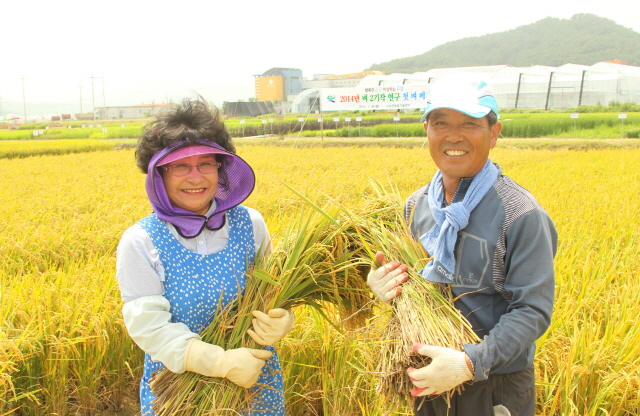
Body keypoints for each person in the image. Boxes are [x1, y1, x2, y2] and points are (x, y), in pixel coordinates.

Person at [367, 77, 557, 416]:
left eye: (469, 124)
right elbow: (412, 287)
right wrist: (384, 283)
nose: (453, 136)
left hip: (495, 385)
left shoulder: (521, 213)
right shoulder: (417, 206)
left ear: (494, 132)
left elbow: (532, 310)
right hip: (428, 377)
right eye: (441, 123)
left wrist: (470, 363)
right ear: (426, 130)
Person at [115, 98, 294, 416]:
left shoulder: (250, 224)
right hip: (180, 393)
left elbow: (271, 291)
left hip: (254, 380)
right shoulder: (141, 241)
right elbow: (149, 326)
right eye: (180, 166)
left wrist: (281, 318)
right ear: (159, 175)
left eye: (206, 164)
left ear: (220, 169)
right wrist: (221, 362)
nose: (195, 177)